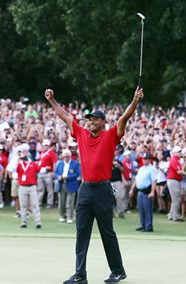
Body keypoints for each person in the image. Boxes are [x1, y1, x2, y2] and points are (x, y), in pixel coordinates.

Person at [46, 87, 143, 283]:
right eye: (89, 119)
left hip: (102, 189)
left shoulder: (110, 136)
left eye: (95, 119)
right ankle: (80, 275)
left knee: (107, 232)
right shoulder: (81, 134)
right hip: (85, 189)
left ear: (103, 122)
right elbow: (65, 116)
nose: (91, 122)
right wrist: (52, 100)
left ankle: (118, 271)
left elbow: (124, 117)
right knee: (82, 232)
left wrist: (135, 101)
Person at [129, 153, 157, 232]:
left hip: (147, 191)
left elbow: (154, 181)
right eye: (144, 159)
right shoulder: (141, 168)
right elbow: (136, 180)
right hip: (140, 191)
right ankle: (143, 225)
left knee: (147, 209)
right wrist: (132, 189)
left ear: (149, 160)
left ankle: (148, 226)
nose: (144, 160)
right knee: (141, 209)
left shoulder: (152, 169)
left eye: (146, 159)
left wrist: (152, 192)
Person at [16, 144, 42, 229]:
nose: (24, 153)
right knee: (23, 205)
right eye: (23, 151)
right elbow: (11, 169)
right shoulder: (19, 163)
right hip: (22, 186)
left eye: (26, 151)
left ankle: (38, 222)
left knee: (35, 205)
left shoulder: (33, 163)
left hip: (32, 187)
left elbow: (40, 169)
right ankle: (24, 222)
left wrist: (46, 168)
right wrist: (17, 158)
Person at [54, 149, 81, 223]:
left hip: (71, 184)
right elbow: (55, 173)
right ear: (63, 157)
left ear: (70, 156)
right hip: (61, 184)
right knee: (61, 202)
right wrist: (59, 177)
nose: (66, 158)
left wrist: (68, 177)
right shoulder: (59, 163)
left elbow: (77, 174)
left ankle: (70, 217)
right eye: (65, 157)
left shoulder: (75, 164)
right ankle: (62, 215)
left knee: (70, 202)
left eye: (68, 156)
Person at [167, 146, 186, 222]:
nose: (180, 153)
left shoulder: (177, 160)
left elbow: (180, 170)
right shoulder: (174, 160)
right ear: (175, 153)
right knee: (176, 199)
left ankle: (171, 214)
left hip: (175, 180)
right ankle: (175, 216)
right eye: (179, 152)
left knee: (174, 199)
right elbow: (179, 171)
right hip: (173, 180)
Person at [37, 139, 58, 208]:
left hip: (48, 172)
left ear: (48, 146)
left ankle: (49, 203)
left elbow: (54, 162)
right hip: (40, 172)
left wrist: (53, 171)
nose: (45, 146)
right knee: (40, 189)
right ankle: (39, 203)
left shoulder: (51, 152)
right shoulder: (42, 152)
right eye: (44, 145)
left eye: (46, 145)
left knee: (49, 189)